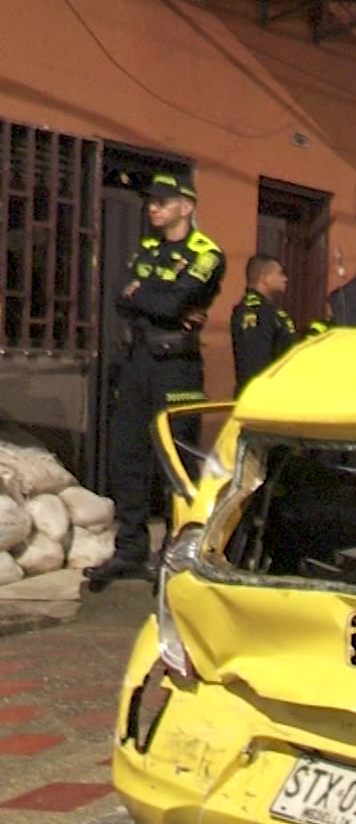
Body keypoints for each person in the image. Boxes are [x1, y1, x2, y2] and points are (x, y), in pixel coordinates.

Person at [85, 171, 226, 586]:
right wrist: (156, 302)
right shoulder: (146, 249)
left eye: (163, 202)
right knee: (126, 455)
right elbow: (119, 298)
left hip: (175, 366)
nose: (153, 208)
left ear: (186, 206)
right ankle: (130, 549)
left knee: (175, 462)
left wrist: (144, 296)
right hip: (137, 361)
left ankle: (174, 553)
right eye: (151, 201)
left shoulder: (207, 254)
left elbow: (174, 303)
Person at [229, 253, 296, 393]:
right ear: (264, 278)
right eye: (280, 274)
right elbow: (255, 360)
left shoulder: (270, 310)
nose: (285, 279)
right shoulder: (254, 311)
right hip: (262, 396)